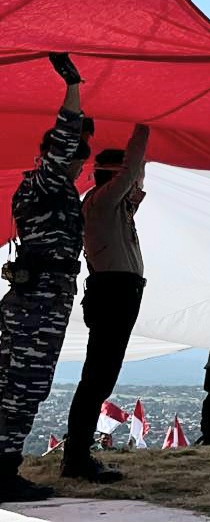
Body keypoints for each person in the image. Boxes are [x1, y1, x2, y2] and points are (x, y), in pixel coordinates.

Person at [0, 54, 90, 502]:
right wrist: (73, 87)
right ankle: (2, 472)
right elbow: (65, 137)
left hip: (40, 299)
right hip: (36, 303)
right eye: (76, 159)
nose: (78, 166)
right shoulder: (45, 183)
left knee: (18, 386)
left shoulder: (56, 189)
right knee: (22, 387)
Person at [61, 124, 149, 483]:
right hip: (113, 293)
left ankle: (77, 456)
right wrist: (143, 127)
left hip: (120, 292)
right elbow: (131, 172)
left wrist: (134, 173)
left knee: (100, 377)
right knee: (96, 379)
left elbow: (135, 179)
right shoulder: (101, 203)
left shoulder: (114, 208)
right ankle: (77, 458)